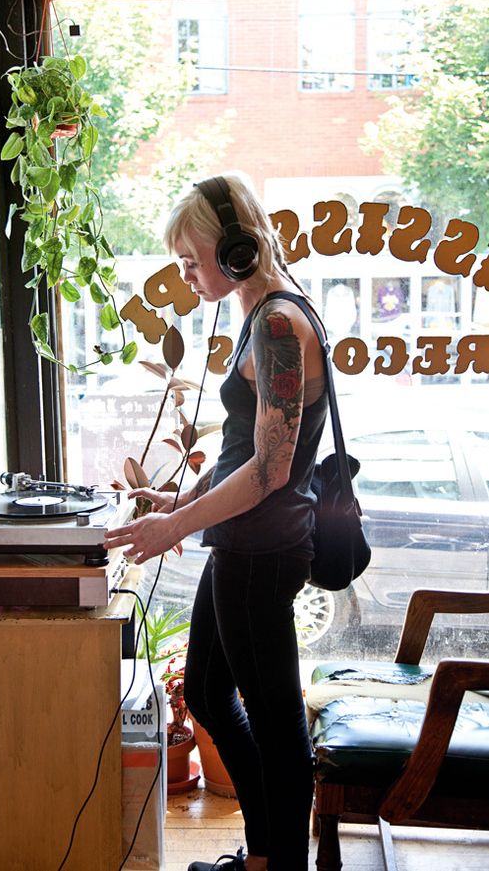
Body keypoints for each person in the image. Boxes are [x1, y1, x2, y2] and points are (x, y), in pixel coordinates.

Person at [104, 173, 328, 871]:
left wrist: (173, 529)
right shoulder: (260, 311)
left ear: (232, 246)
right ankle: (265, 853)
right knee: (204, 688)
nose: (185, 273)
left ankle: (278, 862)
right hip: (242, 543)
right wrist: (182, 502)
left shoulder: (279, 324)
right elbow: (242, 448)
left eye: (188, 258)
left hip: (261, 551)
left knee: (276, 724)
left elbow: (268, 469)